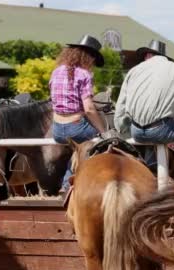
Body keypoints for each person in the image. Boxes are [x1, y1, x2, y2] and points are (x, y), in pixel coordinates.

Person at [114, 40, 174, 168]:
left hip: (136, 131)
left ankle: (151, 168)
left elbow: (120, 106)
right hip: (161, 129)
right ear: (164, 56)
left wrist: (123, 130)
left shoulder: (133, 71)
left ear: (148, 55)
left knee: (151, 138)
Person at [49, 34, 107, 191]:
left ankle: (67, 182)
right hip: (76, 127)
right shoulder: (83, 74)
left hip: (57, 129)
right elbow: (88, 108)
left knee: (77, 151)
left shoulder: (56, 71)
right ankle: (95, 184)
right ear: (88, 57)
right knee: (102, 144)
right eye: (93, 61)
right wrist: (103, 131)